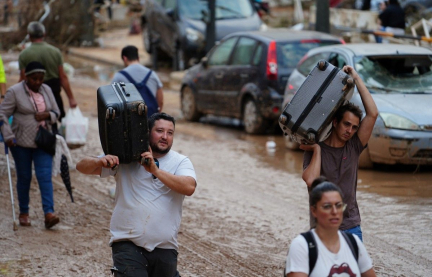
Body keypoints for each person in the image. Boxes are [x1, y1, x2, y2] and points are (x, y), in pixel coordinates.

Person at [76, 112, 197, 277]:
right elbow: (81, 167)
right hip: (128, 244)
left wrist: (156, 170)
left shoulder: (181, 161)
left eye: (170, 133)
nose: (165, 137)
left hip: (166, 248)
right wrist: (99, 161)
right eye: (160, 131)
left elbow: (189, 187)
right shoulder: (126, 156)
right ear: (146, 133)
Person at [301, 65, 378, 241]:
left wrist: (356, 78)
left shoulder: (354, 147)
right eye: (346, 124)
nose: (350, 131)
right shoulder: (314, 148)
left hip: (351, 226)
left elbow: (372, 114)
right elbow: (310, 180)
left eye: (354, 127)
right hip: (323, 228)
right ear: (335, 122)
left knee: (354, 269)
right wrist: (318, 150)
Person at [0, 61, 61, 229]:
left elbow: (57, 112)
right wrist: (8, 135)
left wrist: (47, 115)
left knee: (44, 176)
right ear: (26, 77)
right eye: (34, 79)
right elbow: (2, 114)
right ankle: (24, 212)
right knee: (24, 177)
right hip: (20, 143)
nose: (38, 82)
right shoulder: (14, 92)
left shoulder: (47, 90)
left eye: (41, 79)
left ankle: (49, 213)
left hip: (43, 141)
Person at [285, 179, 376, 277]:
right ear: (314, 211)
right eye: (327, 206)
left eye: (338, 205)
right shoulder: (301, 246)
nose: (334, 211)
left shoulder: (353, 243)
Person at [18, 21, 78, 120]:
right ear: (44, 34)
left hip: (34, 97)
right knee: (54, 121)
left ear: (29, 36)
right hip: (54, 95)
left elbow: (23, 78)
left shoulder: (24, 54)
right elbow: (63, 77)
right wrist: (71, 98)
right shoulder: (55, 52)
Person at [111, 45, 163, 116]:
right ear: (138, 58)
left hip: (130, 119)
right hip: (151, 117)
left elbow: (113, 101)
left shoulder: (119, 76)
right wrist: (157, 115)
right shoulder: (152, 74)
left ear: (124, 58)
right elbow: (160, 100)